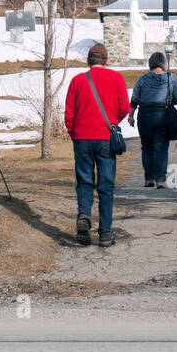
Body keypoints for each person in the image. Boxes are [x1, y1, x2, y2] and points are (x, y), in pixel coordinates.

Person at [64, 43, 130, 246]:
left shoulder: (77, 80)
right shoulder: (116, 78)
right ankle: (106, 233)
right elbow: (124, 108)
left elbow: (69, 113)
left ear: (88, 62)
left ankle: (84, 216)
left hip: (82, 137)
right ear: (106, 61)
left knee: (84, 182)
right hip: (105, 138)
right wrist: (111, 123)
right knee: (106, 185)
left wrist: (73, 132)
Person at [127, 51, 177, 188]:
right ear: (164, 63)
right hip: (163, 115)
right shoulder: (172, 78)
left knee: (146, 146)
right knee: (161, 148)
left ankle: (149, 179)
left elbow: (135, 99)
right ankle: (160, 179)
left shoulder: (142, 79)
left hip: (145, 115)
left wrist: (131, 115)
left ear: (150, 63)